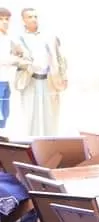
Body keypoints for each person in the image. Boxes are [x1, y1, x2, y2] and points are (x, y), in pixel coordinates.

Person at [15, 8, 67, 137]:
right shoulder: (19, 38)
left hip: (49, 80)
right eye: (30, 17)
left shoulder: (49, 36)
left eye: (35, 16)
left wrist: (64, 76)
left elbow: (60, 58)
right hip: (30, 79)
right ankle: (32, 145)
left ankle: (51, 143)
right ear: (23, 20)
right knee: (31, 116)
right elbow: (16, 59)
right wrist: (30, 65)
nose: (33, 19)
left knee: (51, 115)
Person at [0, 7, 29, 131]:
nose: (5, 22)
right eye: (1, 19)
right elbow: (3, 58)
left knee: (4, 115)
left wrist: (20, 55)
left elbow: (21, 52)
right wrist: (18, 60)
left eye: (7, 19)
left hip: (6, 81)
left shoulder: (7, 38)